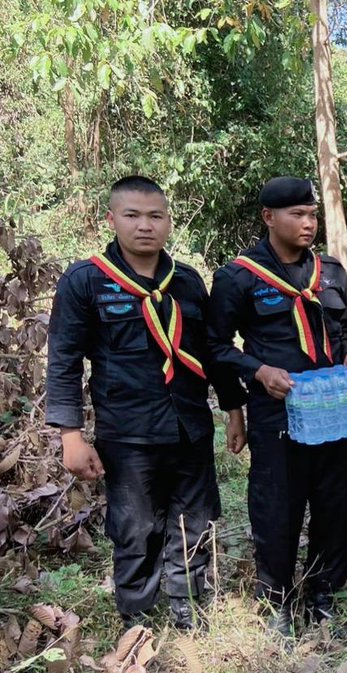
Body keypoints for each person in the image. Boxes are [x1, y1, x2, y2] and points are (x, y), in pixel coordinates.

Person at [46, 176, 247, 630]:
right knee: (135, 525)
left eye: (155, 216)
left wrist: (234, 408)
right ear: (111, 219)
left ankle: (187, 603)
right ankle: (136, 610)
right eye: (132, 215)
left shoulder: (189, 283)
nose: (144, 226)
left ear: (169, 222)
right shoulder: (87, 281)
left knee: (194, 518)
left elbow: (212, 351)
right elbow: (63, 360)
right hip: (127, 430)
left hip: (190, 424)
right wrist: (71, 436)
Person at [207, 177, 347, 637]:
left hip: (334, 410)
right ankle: (277, 601)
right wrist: (257, 374)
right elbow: (216, 346)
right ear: (268, 218)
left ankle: (324, 598)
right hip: (277, 413)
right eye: (297, 215)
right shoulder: (238, 276)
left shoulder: (331, 271)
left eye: (312, 214)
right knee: (277, 508)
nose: (307, 224)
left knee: (338, 506)